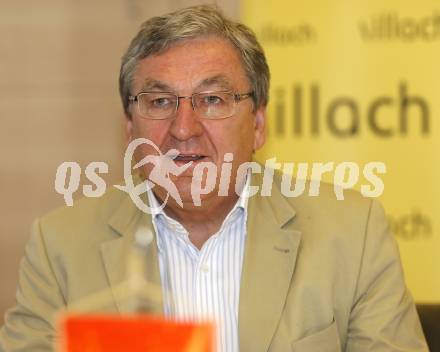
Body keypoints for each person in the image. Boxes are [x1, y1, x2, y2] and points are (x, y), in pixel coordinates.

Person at [0, 5, 428, 352]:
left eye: (212, 99)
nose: (183, 128)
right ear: (130, 128)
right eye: (160, 100)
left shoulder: (353, 234)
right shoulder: (60, 248)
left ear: (258, 124)